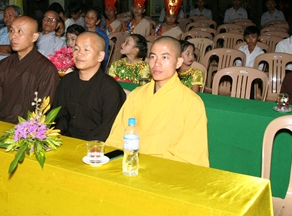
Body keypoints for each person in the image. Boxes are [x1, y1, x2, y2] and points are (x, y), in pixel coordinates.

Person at [106, 36, 209, 166]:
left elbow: (191, 155)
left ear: (178, 62)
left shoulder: (192, 102)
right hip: (131, 164)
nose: (157, 63)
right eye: (153, 57)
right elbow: (117, 137)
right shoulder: (137, 95)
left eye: (164, 57)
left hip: (167, 169)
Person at [52, 32, 126, 141]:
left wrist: (87, 147)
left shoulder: (110, 89)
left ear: (100, 56)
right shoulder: (67, 81)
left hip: (95, 146)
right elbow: (58, 116)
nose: (79, 54)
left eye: (86, 50)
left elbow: (108, 129)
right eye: (76, 49)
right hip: (65, 142)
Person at [0, 16, 60, 124]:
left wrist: (25, 129)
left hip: (27, 130)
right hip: (0, 124)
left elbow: (43, 110)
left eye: (19, 31)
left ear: (34, 37)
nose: (13, 36)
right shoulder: (4, 64)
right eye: (11, 31)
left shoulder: (46, 69)